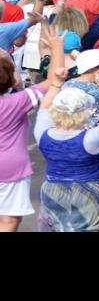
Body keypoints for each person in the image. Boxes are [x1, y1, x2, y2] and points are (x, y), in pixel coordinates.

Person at [35, 70, 99, 232]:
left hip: (52, 192)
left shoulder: (42, 133)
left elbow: (43, 109)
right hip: (87, 195)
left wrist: (57, 83)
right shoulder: (91, 138)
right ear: (85, 113)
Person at [0, 51, 45, 231]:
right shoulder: (17, 102)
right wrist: (57, 47)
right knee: (9, 220)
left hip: (10, 168)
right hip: (11, 169)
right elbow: (53, 81)